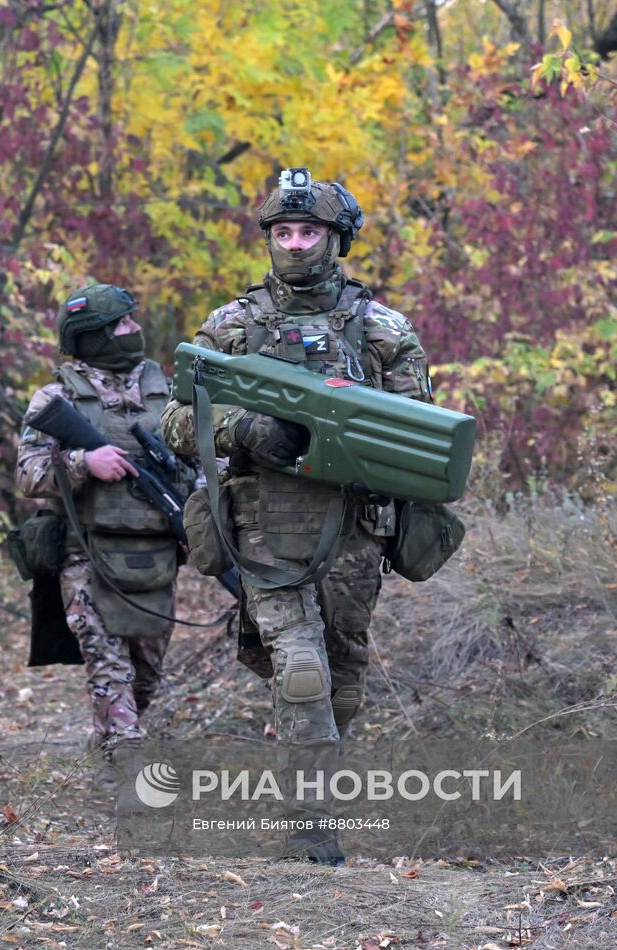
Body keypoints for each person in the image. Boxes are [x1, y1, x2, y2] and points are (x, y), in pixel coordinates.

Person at [160, 169, 433, 863]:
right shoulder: (231, 325)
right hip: (265, 528)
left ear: (336, 238)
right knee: (302, 668)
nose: (296, 243)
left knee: (341, 679)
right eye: (283, 231)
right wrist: (241, 431)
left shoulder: (382, 329)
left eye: (309, 231)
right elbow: (172, 421)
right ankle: (310, 828)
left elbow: (423, 435)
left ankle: (316, 775)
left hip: (353, 530)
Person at [15, 284, 183, 785]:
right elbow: (27, 476)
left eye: (133, 321)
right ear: (94, 337)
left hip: (154, 554)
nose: (134, 330)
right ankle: (133, 780)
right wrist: (82, 461)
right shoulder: (56, 398)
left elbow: (200, 465)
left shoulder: (168, 391)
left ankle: (104, 750)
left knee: (144, 674)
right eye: (122, 325)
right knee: (111, 672)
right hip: (85, 554)